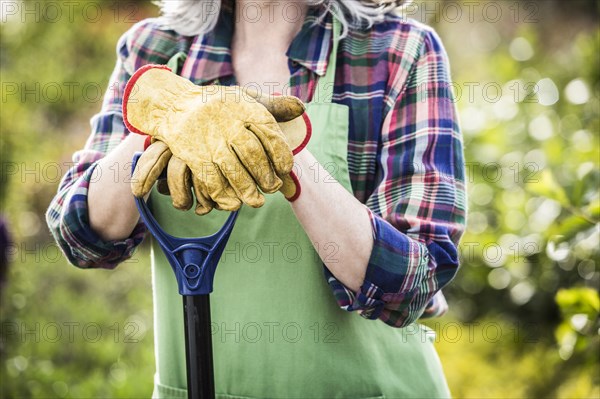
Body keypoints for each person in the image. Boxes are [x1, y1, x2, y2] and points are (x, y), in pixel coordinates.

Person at [46, 0, 467, 397]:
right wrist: (168, 116)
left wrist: (279, 147)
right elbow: (80, 236)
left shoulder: (398, 51)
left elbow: (414, 279)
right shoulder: (158, 50)